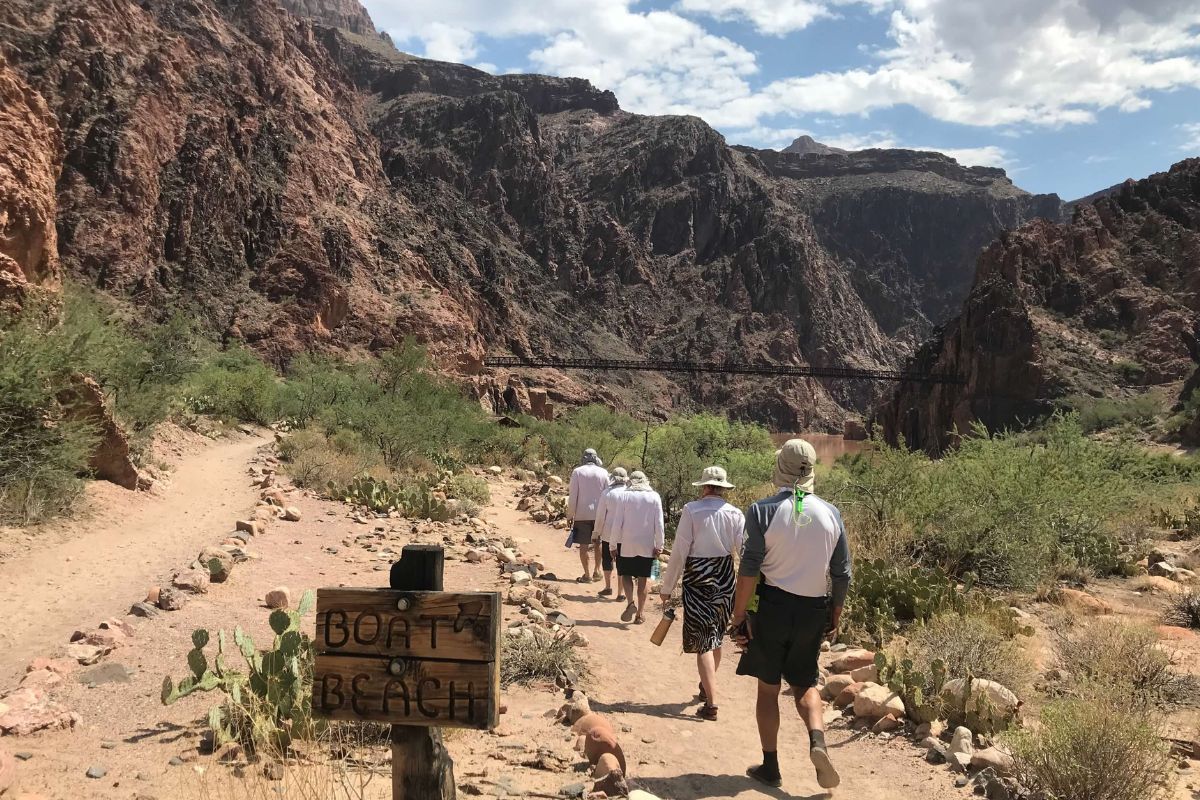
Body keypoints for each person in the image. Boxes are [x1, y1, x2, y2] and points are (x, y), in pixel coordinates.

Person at [730, 439, 852, 791]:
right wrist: (835, 613)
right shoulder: (831, 513)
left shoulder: (761, 510)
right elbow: (842, 572)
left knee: (768, 690)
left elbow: (749, 568)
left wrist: (739, 617)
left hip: (772, 607)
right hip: (813, 608)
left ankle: (770, 767)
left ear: (780, 467)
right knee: (805, 683)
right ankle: (818, 741)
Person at [659, 466, 745, 721]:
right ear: (723, 488)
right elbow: (743, 551)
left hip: (698, 577)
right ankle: (706, 686)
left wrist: (667, 587)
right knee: (716, 634)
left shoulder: (691, 511)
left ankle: (712, 704)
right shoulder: (735, 513)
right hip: (725, 577)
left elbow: (679, 552)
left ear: (705, 487)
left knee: (703, 641)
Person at [609, 470, 663, 624]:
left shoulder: (624, 496)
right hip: (647, 544)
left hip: (627, 544)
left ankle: (630, 603)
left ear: (630, 481)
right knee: (643, 579)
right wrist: (659, 545)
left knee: (625, 574)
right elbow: (659, 524)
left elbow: (617, 523)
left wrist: (612, 545)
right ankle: (640, 614)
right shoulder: (654, 497)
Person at [567, 448, 610, 583]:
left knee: (583, 545)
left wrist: (570, 515)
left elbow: (573, 495)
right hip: (599, 514)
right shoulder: (603, 473)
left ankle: (587, 575)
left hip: (582, 513)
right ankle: (597, 570)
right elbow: (608, 494)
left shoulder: (577, 472)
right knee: (598, 543)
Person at [593, 467, 629, 599]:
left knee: (607, 560)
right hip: (625, 534)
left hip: (608, 533)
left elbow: (600, 516)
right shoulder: (629, 493)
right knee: (622, 563)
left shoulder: (607, 493)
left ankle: (608, 587)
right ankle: (621, 593)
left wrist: (596, 532)